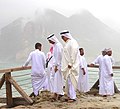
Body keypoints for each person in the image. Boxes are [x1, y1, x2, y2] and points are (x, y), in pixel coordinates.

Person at [60, 30, 79, 102]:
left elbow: (73, 53)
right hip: (67, 66)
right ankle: (69, 96)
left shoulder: (72, 42)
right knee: (68, 81)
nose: (62, 39)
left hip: (71, 66)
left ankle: (72, 97)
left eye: (63, 37)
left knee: (71, 81)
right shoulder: (68, 43)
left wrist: (71, 63)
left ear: (66, 36)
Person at [47, 34, 64, 100]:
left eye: (50, 41)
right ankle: (59, 92)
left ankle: (56, 94)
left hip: (57, 66)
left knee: (56, 79)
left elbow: (58, 56)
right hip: (56, 65)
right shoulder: (55, 46)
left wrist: (56, 66)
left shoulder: (58, 46)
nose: (49, 42)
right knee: (55, 79)